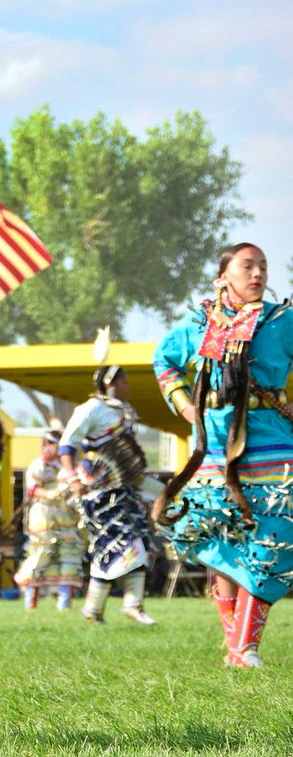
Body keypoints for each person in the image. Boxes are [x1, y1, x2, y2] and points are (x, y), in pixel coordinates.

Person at [153, 242, 293, 667]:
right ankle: (237, 644)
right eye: (247, 266)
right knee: (219, 533)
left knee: (274, 532)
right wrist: (183, 405)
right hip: (213, 444)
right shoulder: (199, 322)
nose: (258, 274)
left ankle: (245, 645)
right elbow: (164, 360)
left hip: (271, 441)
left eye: (263, 267)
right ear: (224, 274)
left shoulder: (281, 320)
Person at [60, 366, 156, 626]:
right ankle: (132, 604)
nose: (129, 386)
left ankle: (94, 610)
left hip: (124, 487)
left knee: (135, 540)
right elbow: (67, 444)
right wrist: (73, 479)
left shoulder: (125, 410)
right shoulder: (90, 409)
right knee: (124, 540)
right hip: (98, 489)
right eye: (125, 381)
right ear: (110, 383)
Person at [13, 430, 82, 611]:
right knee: (40, 554)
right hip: (43, 514)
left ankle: (64, 604)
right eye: (56, 445)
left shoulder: (67, 466)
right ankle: (30, 604)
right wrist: (50, 493)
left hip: (66, 515)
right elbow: (33, 489)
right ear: (47, 444)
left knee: (69, 555)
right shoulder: (38, 465)